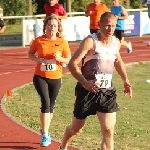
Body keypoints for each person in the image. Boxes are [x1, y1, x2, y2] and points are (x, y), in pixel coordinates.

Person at [58, 12, 132, 150]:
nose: (110, 29)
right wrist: (85, 82)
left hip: (107, 92)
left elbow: (118, 60)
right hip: (87, 92)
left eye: (113, 26)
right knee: (76, 129)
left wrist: (125, 80)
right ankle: (63, 146)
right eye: (107, 26)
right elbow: (72, 64)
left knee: (108, 131)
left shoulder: (115, 42)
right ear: (99, 25)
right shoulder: (90, 41)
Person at [28, 14, 71, 147]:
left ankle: (44, 128)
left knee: (51, 107)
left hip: (56, 78)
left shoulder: (62, 42)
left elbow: (68, 59)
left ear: (58, 28)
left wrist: (59, 58)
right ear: (45, 26)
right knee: (45, 104)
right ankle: (46, 135)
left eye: (54, 25)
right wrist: (37, 59)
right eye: (49, 25)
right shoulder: (38, 40)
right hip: (40, 77)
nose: (52, 27)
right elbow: (30, 53)